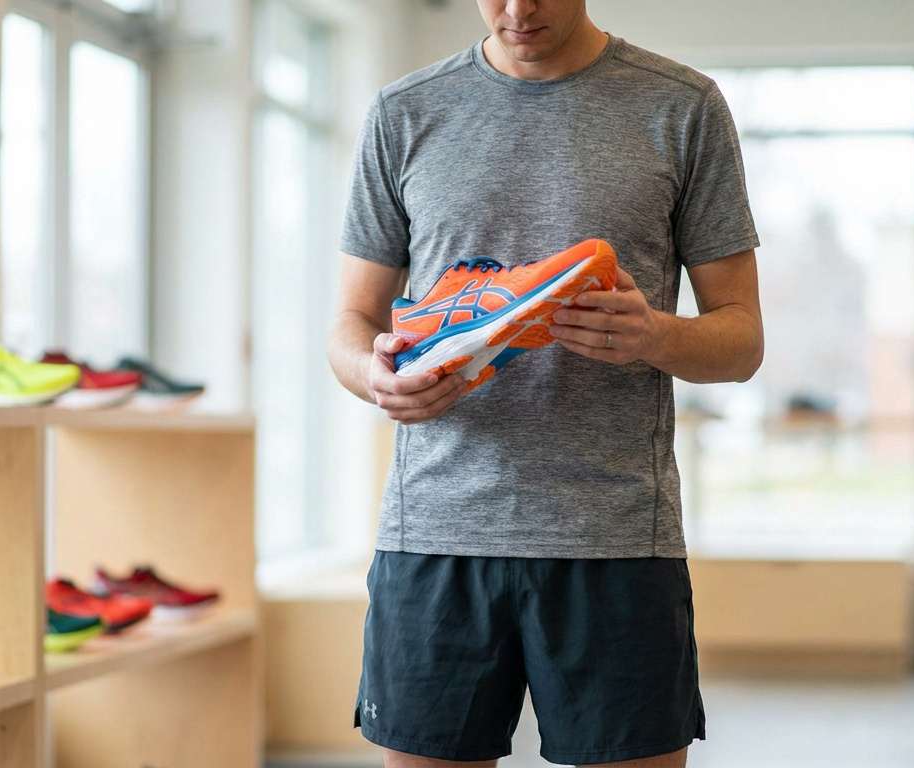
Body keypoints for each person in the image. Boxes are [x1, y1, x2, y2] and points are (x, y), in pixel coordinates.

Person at [325, 1, 764, 766]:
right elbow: (351, 323)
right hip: (435, 538)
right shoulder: (404, 112)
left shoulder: (682, 106)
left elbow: (742, 339)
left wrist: (655, 333)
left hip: (618, 542)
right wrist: (375, 376)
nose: (518, 9)